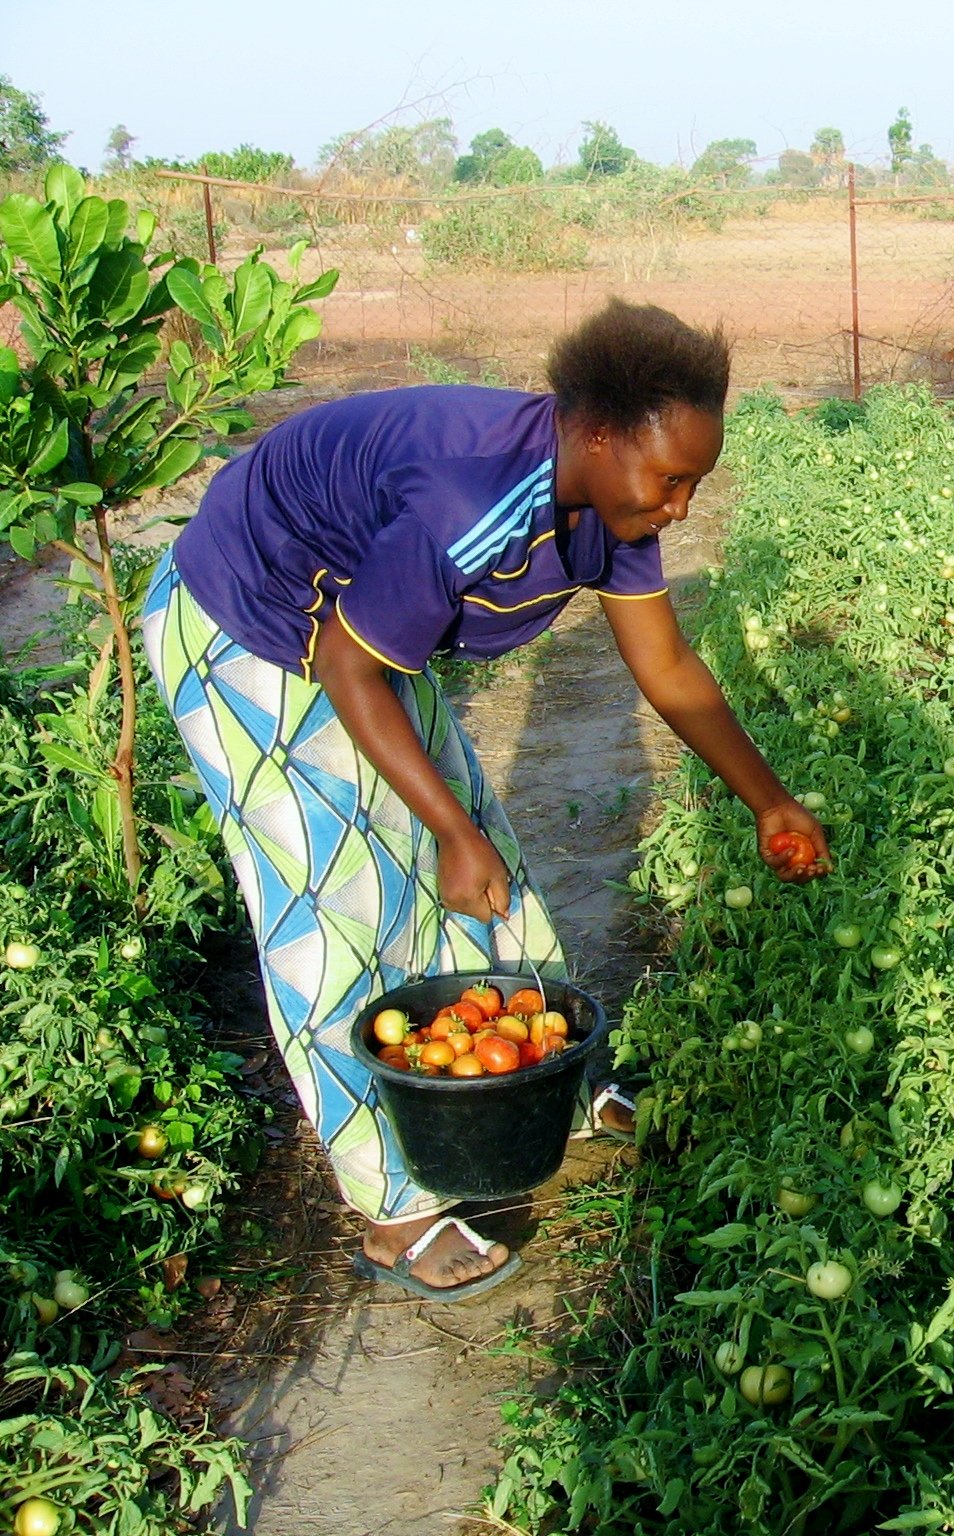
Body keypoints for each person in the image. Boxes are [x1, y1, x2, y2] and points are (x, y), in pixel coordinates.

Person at [141, 300, 827, 1297]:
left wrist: (768, 799)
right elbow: (344, 664)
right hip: (249, 618)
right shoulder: (473, 499)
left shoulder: (611, 503)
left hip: (354, 630)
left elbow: (666, 663)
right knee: (331, 905)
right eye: (671, 479)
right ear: (593, 432)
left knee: (472, 855)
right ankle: (392, 1212)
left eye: (695, 484)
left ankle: (555, 1084)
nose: (679, 506)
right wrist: (448, 833)